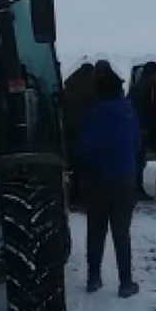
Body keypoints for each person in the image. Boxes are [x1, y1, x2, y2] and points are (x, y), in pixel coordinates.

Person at [72, 60, 141, 298]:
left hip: (98, 178)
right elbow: (137, 142)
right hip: (125, 177)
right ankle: (125, 282)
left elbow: (83, 146)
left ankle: (93, 278)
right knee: (121, 231)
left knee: (96, 229)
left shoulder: (93, 112)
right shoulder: (128, 109)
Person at [63, 62, 97, 210]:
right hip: (82, 131)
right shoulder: (87, 88)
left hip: (71, 131)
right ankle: (82, 197)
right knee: (84, 167)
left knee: (75, 167)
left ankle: (74, 196)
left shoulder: (71, 86)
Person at [128, 61, 156, 201]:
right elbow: (144, 111)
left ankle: (136, 188)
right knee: (138, 161)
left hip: (137, 127)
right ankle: (135, 189)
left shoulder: (139, 87)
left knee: (138, 160)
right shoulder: (144, 88)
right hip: (140, 128)